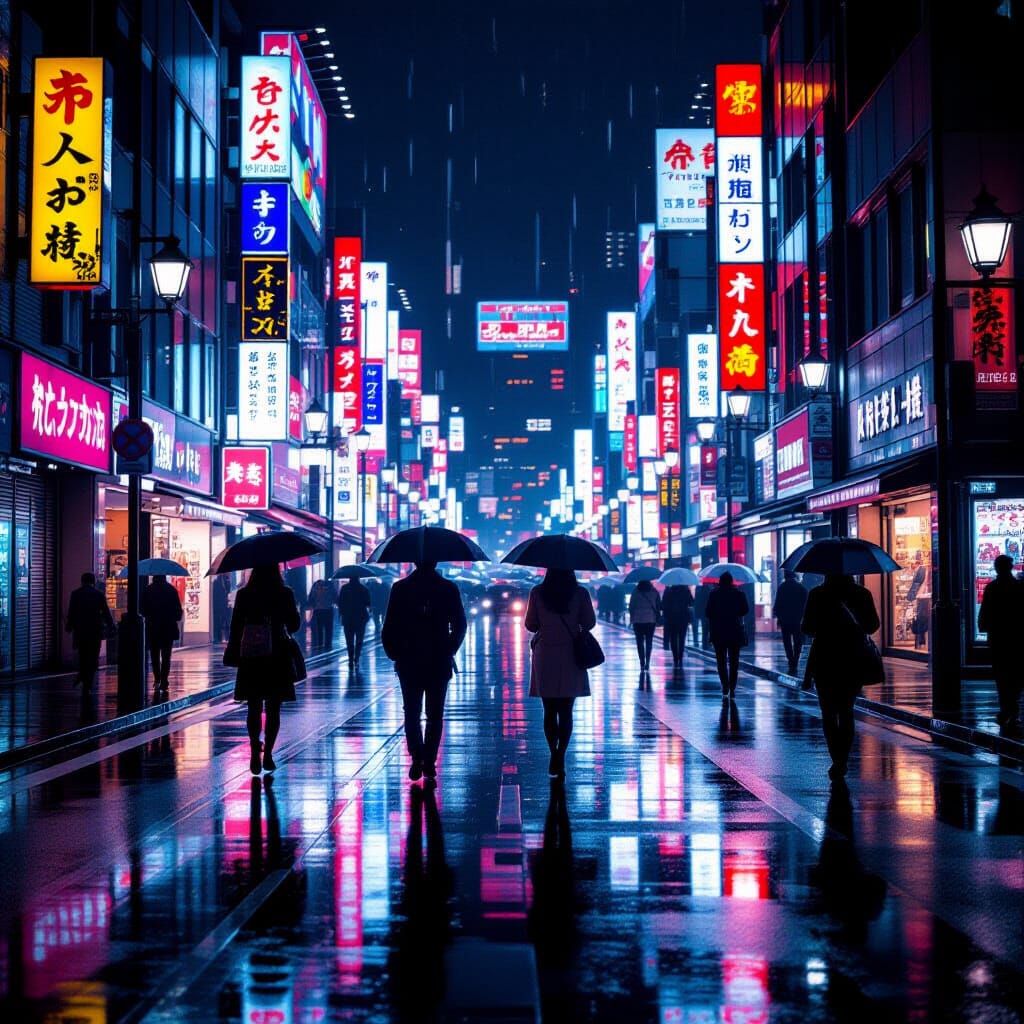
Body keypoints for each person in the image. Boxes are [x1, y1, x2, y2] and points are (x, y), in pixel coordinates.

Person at [382, 560, 467, 781]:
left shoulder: (401, 588)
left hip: (408, 658)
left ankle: (417, 756)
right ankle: (429, 760)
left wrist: (395, 653)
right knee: (435, 713)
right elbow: (460, 624)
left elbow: (389, 624)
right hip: (439, 658)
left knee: (411, 711)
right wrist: (450, 648)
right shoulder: (448, 588)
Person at [802, 572, 880, 782]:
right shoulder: (861, 593)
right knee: (846, 710)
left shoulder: (817, 594)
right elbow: (873, 625)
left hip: (824, 658)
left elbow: (807, 627)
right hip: (852, 658)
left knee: (828, 712)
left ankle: (836, 758)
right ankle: (843, 759)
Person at [225, 563, 302, 775]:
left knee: (254, 705)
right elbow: (294, 625)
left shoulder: (245, 594)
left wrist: (233, 651)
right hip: (277, 655)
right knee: (274, 707)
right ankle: (268, 753)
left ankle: (253, 748)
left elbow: (236, 626)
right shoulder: (284, 593)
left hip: (252, 655)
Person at [524, 568, 597, 778]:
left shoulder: (537, 592)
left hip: (545, 653)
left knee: (549, 709)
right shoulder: (580, 593)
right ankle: (560, 756)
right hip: (571, 653)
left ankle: (552, 753)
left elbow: (530, 624)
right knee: (566, 710)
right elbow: (590, 622)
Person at [978, 554, 1023, 733]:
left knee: (1002, 675)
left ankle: (1007, 708)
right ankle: (1012, 708)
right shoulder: (1018, 587)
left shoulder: (992, 587)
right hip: (1016, 637)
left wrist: (984, 626)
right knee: (1016, 673)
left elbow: (985, 612)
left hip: (998, 638)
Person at [65, 572, 115, 692]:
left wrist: (69, 626)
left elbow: (72, 612)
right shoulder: (98, 595)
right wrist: (111, 625)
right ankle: (88, 682)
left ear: (82, 581)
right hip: (95, 630)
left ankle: (82, 675)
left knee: (83, 655)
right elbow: (106, 612)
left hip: (81, 630)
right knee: (93, 656)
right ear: (93, 582)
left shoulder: (76, 594)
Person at [705, 572, 749, 698]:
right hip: (734, 630)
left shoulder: (714, 594)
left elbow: (708, 612)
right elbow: (745, 610)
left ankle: (725, 685)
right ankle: (733, 686)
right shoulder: (739, 594)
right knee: (734, 660)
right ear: (731, 581)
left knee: (721, 660)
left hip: (718, 631)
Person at [140, 574, 183, 690]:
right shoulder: (171, 590)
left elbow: (142, 609)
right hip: (167, 627)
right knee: (166, 655)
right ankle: (164, 679)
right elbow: (178, 611)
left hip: (153, 627)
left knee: (154, 654)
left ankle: (157, 678)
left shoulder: (148, 590)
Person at [773, 570, 809, 675]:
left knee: (787, 641)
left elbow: (777, 605)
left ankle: (790, 660)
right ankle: (795, 661)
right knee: (798, 642)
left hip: (785, 620)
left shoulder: (782, 588)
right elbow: (806, 605)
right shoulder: (801, 588)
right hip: (798, 620)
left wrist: (779, 617)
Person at [337, 577, 372, 668]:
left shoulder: (344, 588)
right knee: (359, 639)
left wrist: (341, 614)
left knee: (349, 640)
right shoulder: (363, 589)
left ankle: (350, 658)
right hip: (360, 618)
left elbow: (340, 603)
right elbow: (368, 603)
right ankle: (356, 658)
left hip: (347, 618)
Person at [661, 584, 694, 670]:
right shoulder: (686, 590)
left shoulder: (668, 591)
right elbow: (691, 602)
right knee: (682, 638)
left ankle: (675, 657)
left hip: (671, 618)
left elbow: (663, 605)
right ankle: (680, 656)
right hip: (683, 617)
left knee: (673, 637)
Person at [306, 577, 336, 649]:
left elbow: (311, 600)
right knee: (328, 628)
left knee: (319, 629)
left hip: (318, 610)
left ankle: (320, 644)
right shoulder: (330, 588)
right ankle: (328, 645)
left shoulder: (314, 588)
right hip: (328, 610)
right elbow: (335, 598)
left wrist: (313, 605)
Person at [212, 573, 232, 643]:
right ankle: (218, 638)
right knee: (218, 621)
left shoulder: (225, 579)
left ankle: (220, 638)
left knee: (222, 621)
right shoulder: (217, 580)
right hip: (218, 604)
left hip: (222, 604)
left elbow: (228, 590)